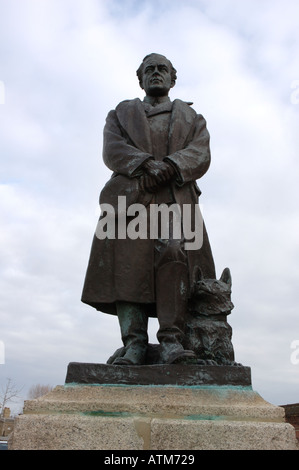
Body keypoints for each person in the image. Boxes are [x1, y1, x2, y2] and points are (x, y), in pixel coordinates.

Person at [81, 53, 216, 365]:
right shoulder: (121, 113)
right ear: (140, 78)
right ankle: (134, 344)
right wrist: (144, 164)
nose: (156, 73)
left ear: (172, 78)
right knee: (128, 267)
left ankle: (172, 341)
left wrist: (170, 165)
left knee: (174, 254)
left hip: (174, 199)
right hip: (131, 197)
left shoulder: (191, 118)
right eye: (150, 70)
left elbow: (201, 153)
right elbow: (112, 149)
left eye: (162, 69)